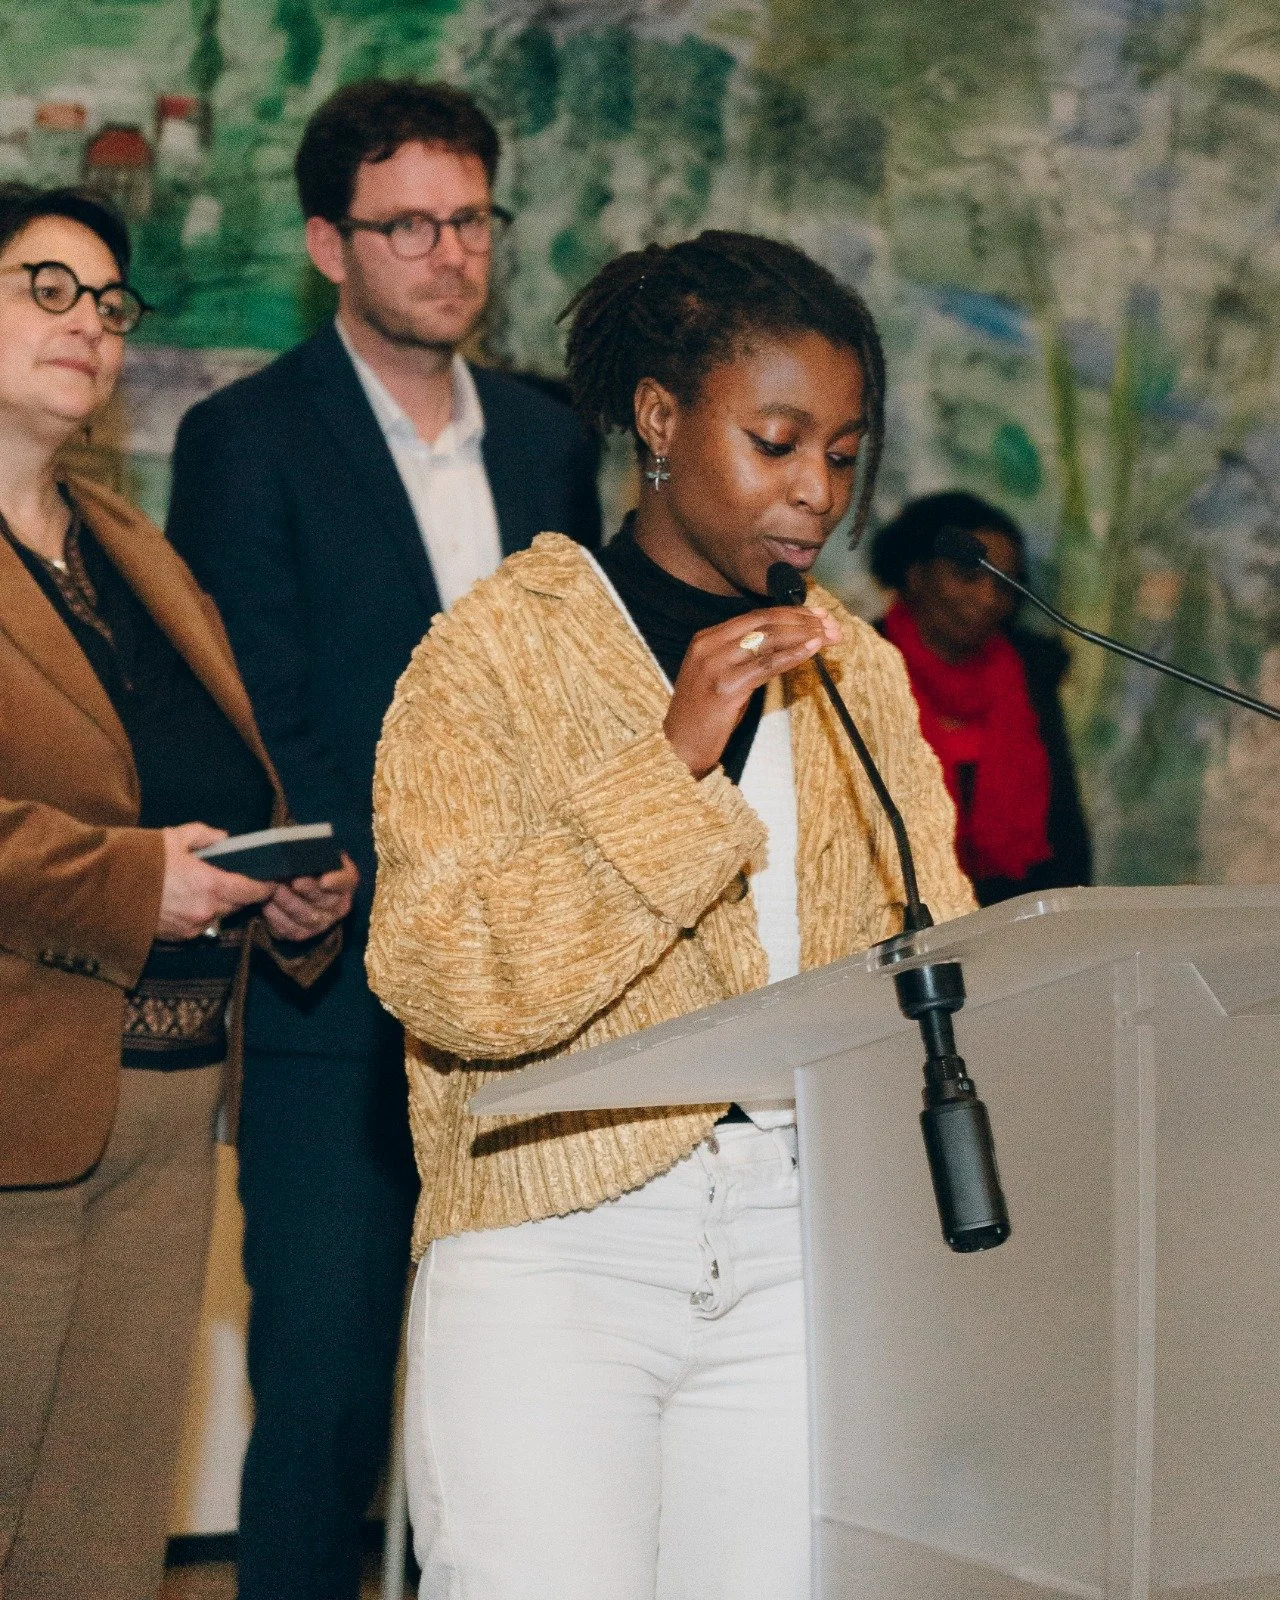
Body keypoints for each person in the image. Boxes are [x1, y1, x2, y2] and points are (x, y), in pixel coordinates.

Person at [365, 231, 974, 1600]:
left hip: (797, 1246)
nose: (815, 491)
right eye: (776, 442)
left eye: (842, 454)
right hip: (551, 1249)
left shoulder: (856, 671)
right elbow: (442, 978)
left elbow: (931, 950)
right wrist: (670, 764)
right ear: (659, 419)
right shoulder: (493, 655)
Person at [165, 78, 601, 1600]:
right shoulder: (245, 438)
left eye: (470, 218)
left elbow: (578, 703)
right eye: (407, 224)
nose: (449, 253)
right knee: (328, 1395)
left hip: (537, 1001)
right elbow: (252, 714)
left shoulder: (549, 440)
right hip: (337, 986)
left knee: (529, 1402)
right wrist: (333, 875)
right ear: (327, 245)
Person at [0, 184, 356, 1600]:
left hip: (168, 1105)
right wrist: (137, 877)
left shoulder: (135, 553)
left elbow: (213, 790)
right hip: (14, 1107)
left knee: (95, 1544)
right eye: (46, 288)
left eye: (108, 302)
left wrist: (278, 892)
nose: (88, 323)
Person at [870, 490, 1092, 905]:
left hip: (1016, 918)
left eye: (1005, 584)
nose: (989, 598)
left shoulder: (1030, 673)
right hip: (894, 914)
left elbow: (1065, 834)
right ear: (915, 574)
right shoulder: (856, 668)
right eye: (968, 575)